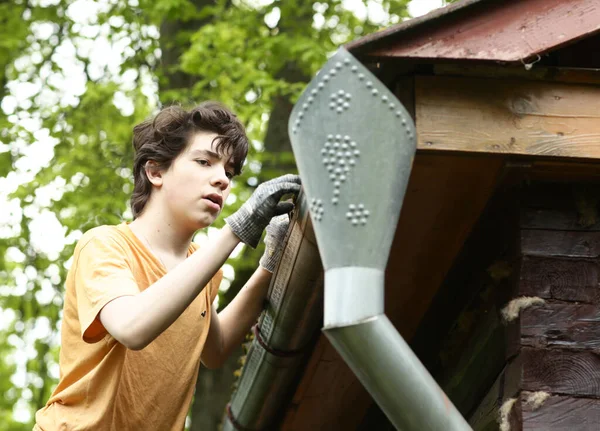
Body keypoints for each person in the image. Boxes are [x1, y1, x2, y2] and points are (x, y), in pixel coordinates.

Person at [33, 102, 301, 430]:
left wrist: (272, 262)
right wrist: (238, 228)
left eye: (229, 172)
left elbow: (214, 351)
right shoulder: (105, 245)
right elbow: (132, 327)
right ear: (155, 171)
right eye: (205, 161)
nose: (222, 180)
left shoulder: (199, 268)